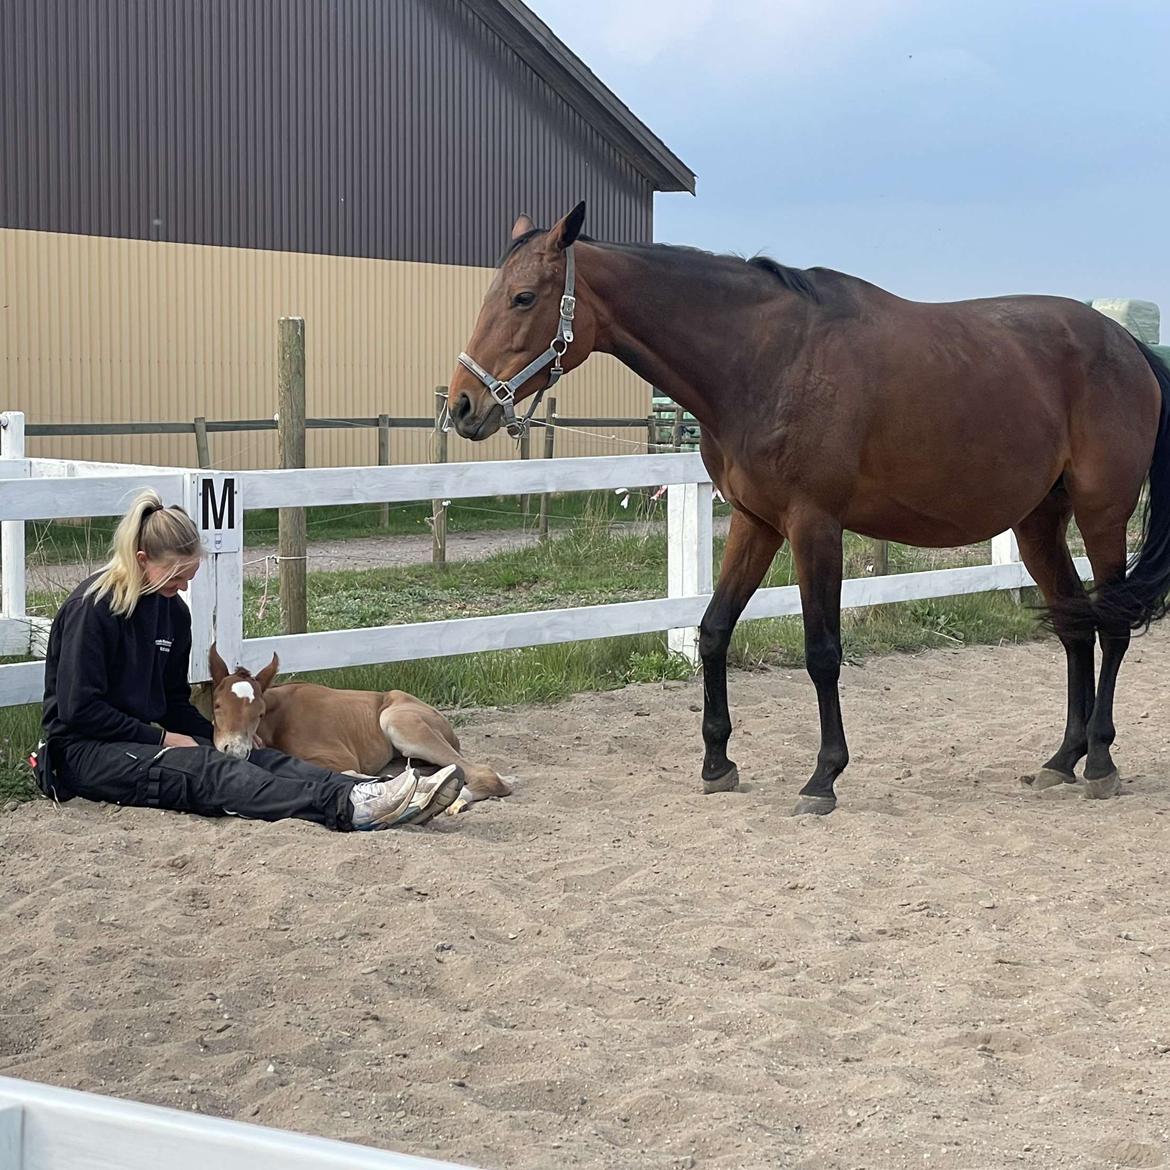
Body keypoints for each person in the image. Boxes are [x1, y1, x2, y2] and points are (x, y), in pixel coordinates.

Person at [36, 489, 462, 830]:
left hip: (138, 740)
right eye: (176, 576)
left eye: (190, 576)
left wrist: (212, 733)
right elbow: (79, 711)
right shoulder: (93, 610)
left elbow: (171, 702)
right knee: (208, 769)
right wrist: (165, 739)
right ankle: (349, 807)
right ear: (141, 560)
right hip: (83, 753)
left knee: (249, 755)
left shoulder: (172, 613)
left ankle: (369, 789)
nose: (183, 587)